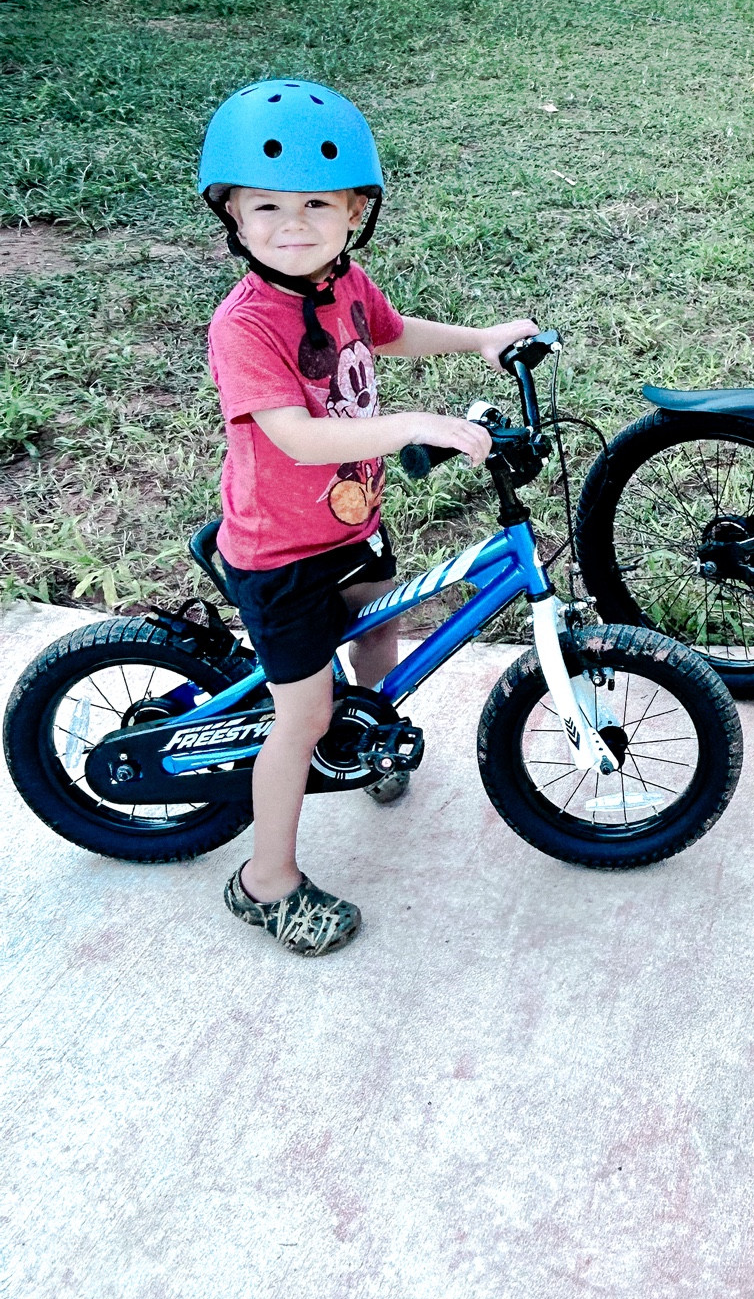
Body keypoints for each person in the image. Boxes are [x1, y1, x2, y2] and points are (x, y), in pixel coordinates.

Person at [199, 79, 538, 954]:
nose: (293, 223)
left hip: (351, 524)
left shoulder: (344, 282)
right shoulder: (244, 325)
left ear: (356, 213)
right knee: (302, 716)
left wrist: (480, 339)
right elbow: (298, 437)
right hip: (280, 550)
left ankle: (369, 733)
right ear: (232, 215)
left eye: (318, 202)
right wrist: (414, 425)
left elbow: (388, 333)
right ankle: (264, 882)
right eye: (266, 205)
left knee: (379, 629)